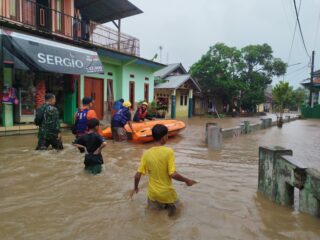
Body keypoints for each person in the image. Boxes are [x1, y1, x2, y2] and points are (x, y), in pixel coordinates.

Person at [130, 124, 197, 216]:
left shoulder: (146, 154)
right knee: (177, 213)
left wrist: (136, 188)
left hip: (152, 194)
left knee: (154, 218)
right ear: (164, 137)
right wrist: (187, 180)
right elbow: (172, 174)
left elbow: (137, 175)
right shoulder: (169, 152)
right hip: (166, 193)